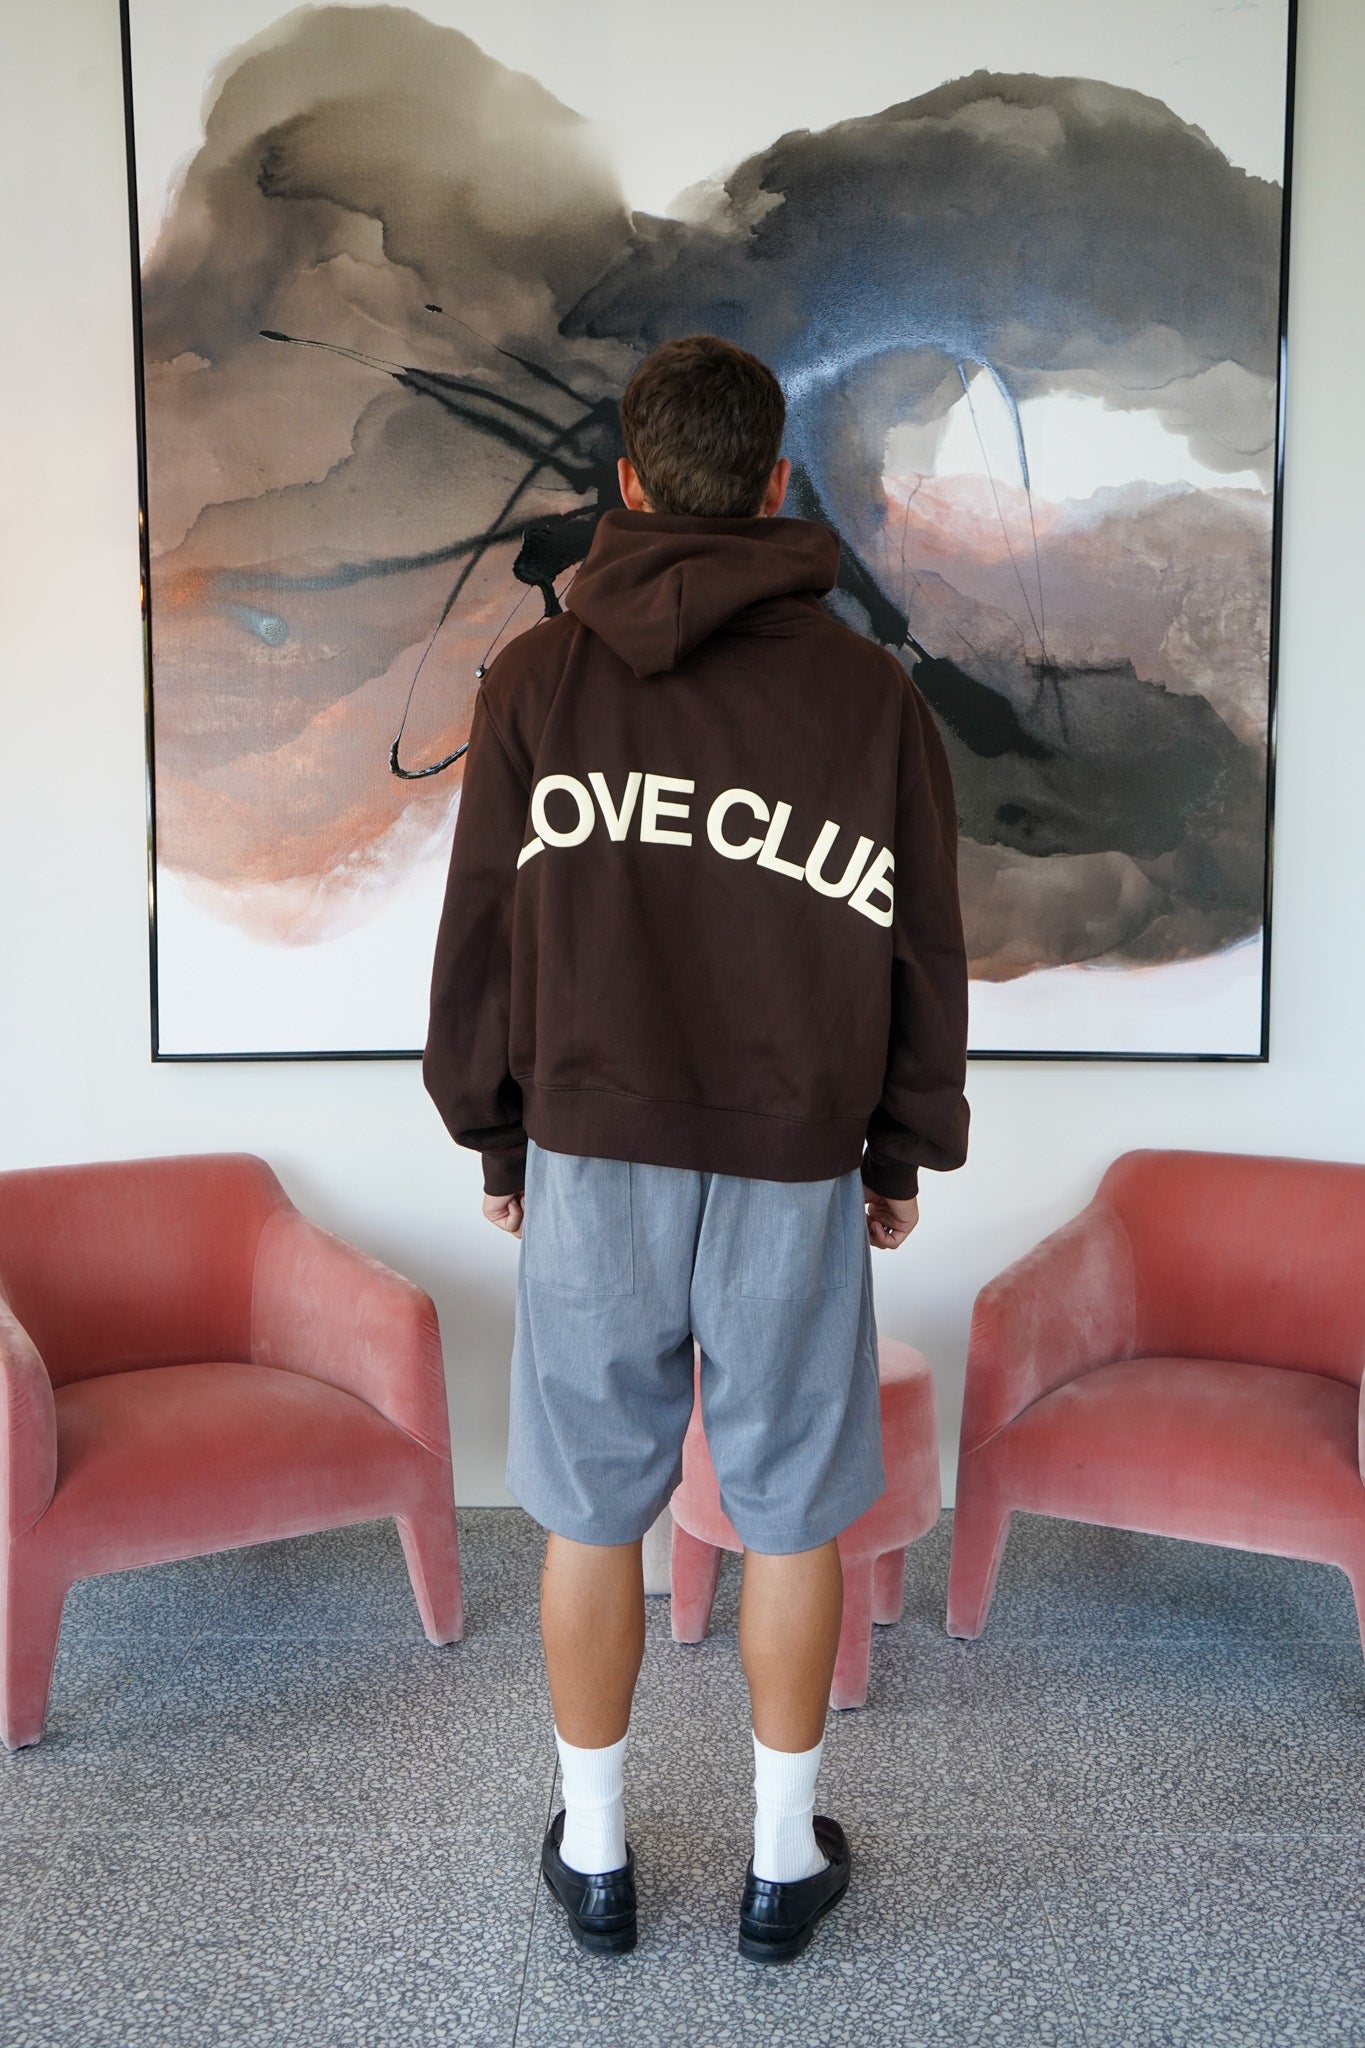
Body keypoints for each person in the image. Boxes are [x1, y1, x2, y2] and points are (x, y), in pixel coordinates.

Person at [425, 333, 969, 1964]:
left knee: (592, 1512)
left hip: (593, 1150)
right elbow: (918, 948)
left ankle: (594, 1856)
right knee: (789, 1513)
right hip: (792, 1158)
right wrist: (898, 1151)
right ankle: (778, 1866)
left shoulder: (535, 680)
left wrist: (498, 1139)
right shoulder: (870, 697)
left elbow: (481, 935)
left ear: (630, 483)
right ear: (777, 485)